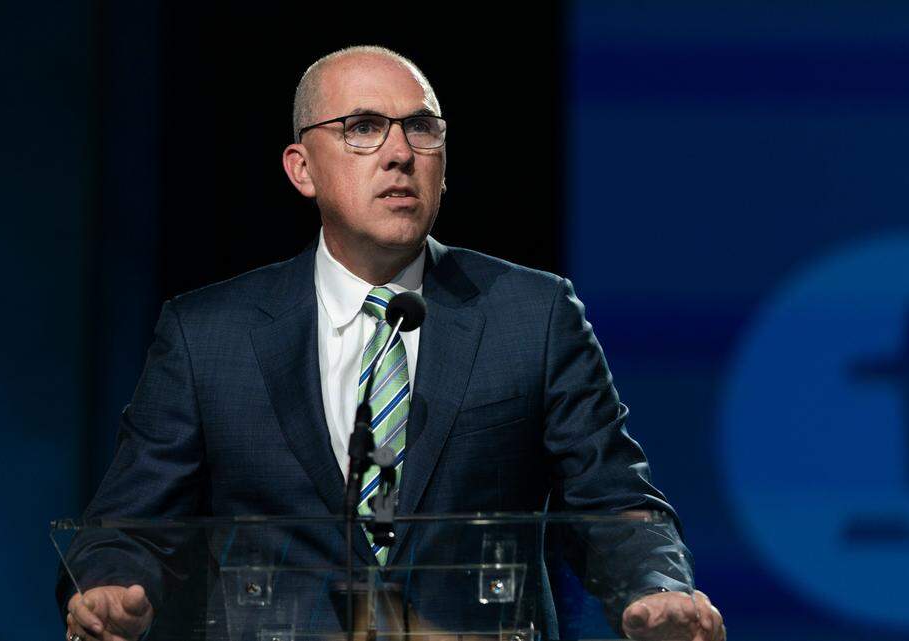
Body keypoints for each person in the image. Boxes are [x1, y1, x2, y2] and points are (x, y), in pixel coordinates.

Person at [59, 45, 725, 641]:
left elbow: (613, 502)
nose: (401, 152)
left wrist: (655, 587)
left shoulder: (533, 313)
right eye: (363, 128)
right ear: (301, 169)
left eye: (422, 128)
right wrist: (111, 585)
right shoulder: (208, 333)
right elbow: (129, 524)